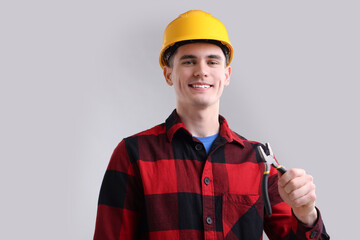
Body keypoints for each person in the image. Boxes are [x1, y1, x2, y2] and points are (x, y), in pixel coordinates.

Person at [93, 10, 330, 240]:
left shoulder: (259, 160)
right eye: (189, 61)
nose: (201, 71)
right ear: (168, 75)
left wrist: (306, 214)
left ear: (226, 75)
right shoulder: (133, 154)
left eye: (212, 62)